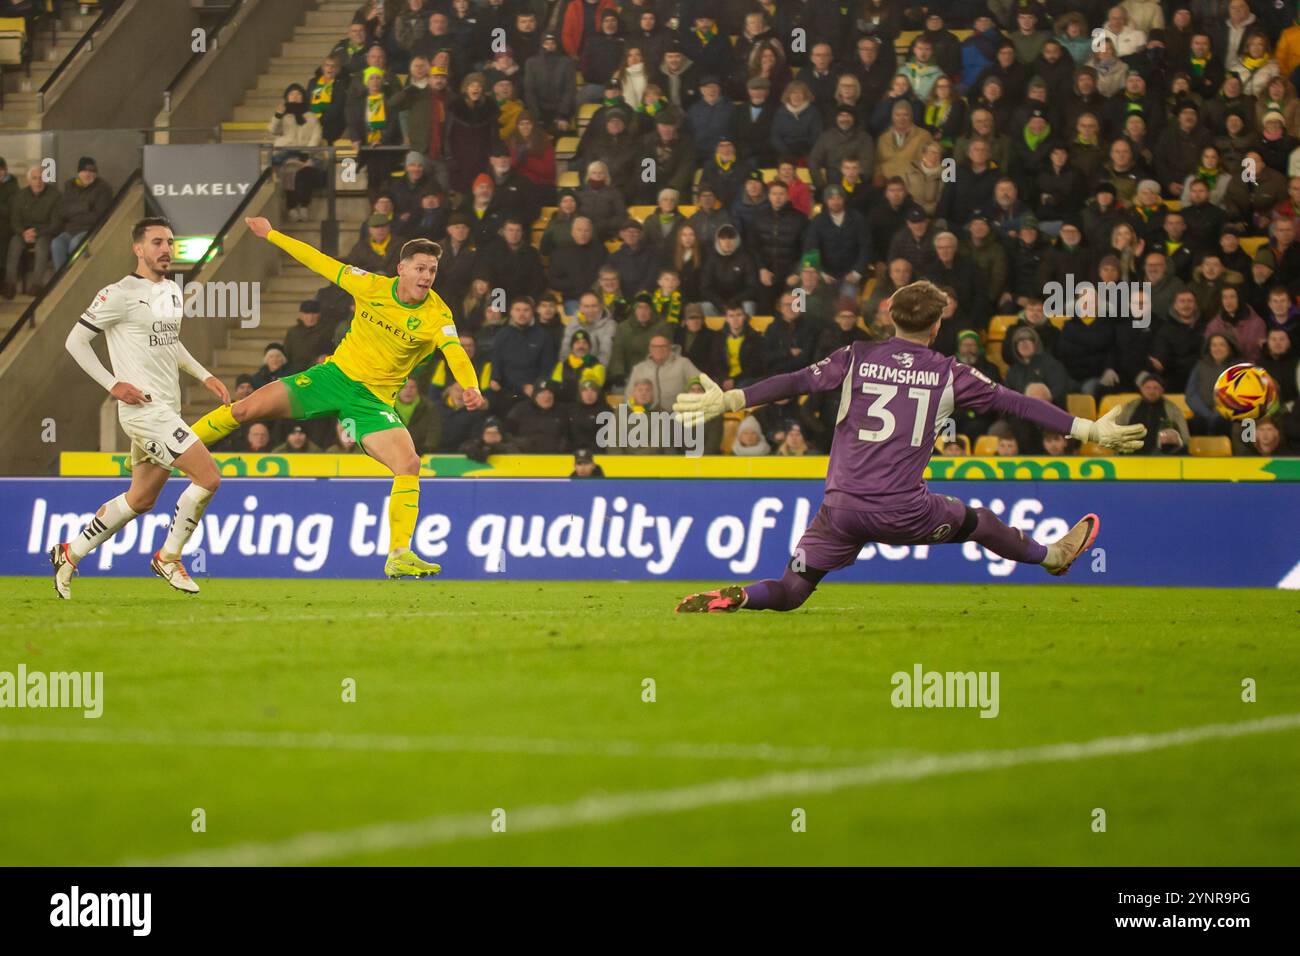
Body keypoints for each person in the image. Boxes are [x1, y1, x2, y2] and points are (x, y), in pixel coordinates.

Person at [671, 280, 1147, 613]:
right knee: (978, 520)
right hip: (902, 511)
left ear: (890, 317)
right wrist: (1088, 429)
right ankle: (1053, 557)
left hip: (838, 508)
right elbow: (1017, 404)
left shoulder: (855, 355)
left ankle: (741, 597)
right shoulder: (949, 372)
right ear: (937, 326)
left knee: (792, 589)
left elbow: (796, 381)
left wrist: (733, 398)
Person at [190, 218, 486, 580]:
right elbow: (319, 260)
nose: (427, 276)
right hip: (332, 378)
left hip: (372, 402)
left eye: (433, 270)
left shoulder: (437, 314)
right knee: (245, 408)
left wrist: (470, 385)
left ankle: (399, 553)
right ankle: (172, 449)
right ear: (401, 269)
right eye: (420, 268)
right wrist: (272, 233)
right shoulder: (370, 285)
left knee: (408, 463)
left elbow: (455, 351)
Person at [54, 217, 226, 597]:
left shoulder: (171, 292)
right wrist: (113, 384)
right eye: (157, 242)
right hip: (144, 412)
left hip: (167, 408)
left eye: (169, 242)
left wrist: (204, 376)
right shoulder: (117, 293)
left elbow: (170, 343)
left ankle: (70, 552)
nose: (166, 249)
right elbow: (75, 342)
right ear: (138, 249)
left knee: (141, 499)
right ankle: (169, 557)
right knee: (208, 478)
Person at [50, 157, 112, 272]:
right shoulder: (70, 186)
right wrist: (84, 207)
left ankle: (74, 280)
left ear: (96, 173)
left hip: (90, 231)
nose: (87, 174)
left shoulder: (103, 189)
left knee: (76, 244)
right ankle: (61, 280)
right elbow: (62, 211)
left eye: (91, 171)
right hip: (70, 231)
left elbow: (99, 217)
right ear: (79, 172)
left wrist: (73, 212)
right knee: (56, 243)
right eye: (84, 171)